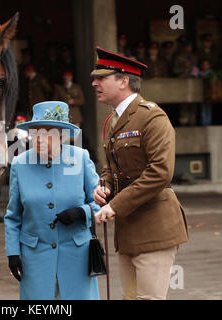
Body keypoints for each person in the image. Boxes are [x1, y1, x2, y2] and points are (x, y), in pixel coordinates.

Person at [91, 47, 189, 300]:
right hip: (128, 229)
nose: (94, 83)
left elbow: (160, 172)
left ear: (124, 81)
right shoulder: (113, 120)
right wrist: (104, 186)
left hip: (155, 226)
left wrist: (115, 206)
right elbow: (112, 167)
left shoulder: (151, 116)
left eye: (102, 78)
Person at [4, 101, 101, 300]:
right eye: (35, 132)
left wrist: (82, 213)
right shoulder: (20, 164)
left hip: (77, 256)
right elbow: (13, 216)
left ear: (62, 136)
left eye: (46, 133)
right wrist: (12, 252)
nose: (38, 139)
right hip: (35, 257)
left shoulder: (81, 158)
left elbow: (100, 202)